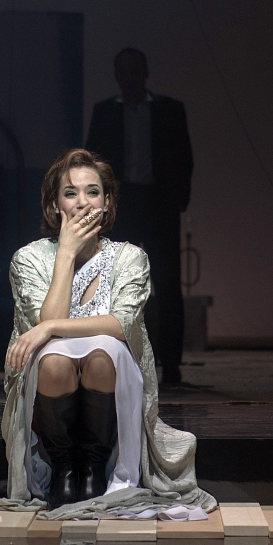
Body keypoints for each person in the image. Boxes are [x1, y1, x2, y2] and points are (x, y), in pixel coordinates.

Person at [0, 148, 215, 517]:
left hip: (109, 373)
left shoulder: (130, 257)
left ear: (107, 202)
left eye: (92, 191)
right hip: (49, 378)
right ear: (55, 205)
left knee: (101, 352)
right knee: (54, 359)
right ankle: (65, 467)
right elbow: (47, 320)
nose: (82, 202)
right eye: (70, 193)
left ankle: (95, 465)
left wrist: (51, 327)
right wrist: (66, 254)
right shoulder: (29, 258)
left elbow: (121, 324)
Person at [86, 48, 192, 384]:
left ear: (145, 74)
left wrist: (179, 199)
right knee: (118, 282)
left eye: (134, 72)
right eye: (123, 73)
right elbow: (93, 162)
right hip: (123, 204)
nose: (129, 79)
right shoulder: (105, 112)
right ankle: (116, 357)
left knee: (167, 281)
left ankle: (171, 364)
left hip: (159, 203)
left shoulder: (169, 110)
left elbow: (183, 156)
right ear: (117, 76)